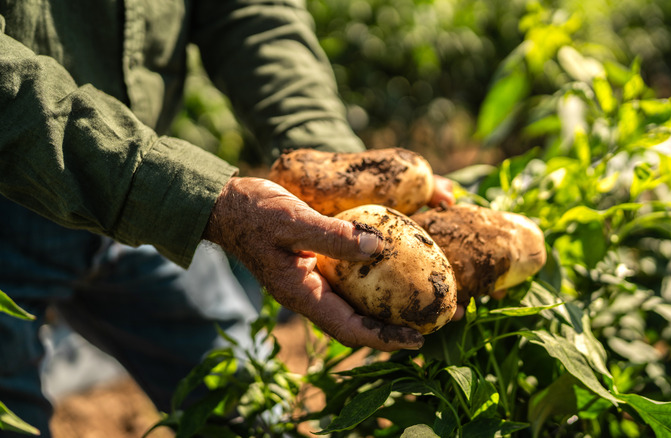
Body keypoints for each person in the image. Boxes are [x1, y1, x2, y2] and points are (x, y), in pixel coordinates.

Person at [0, 1, 454, 436]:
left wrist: (331, 166)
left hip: (146, 203)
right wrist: (205, 201)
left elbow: (250, 11)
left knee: (250, 403)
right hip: (80, 191)